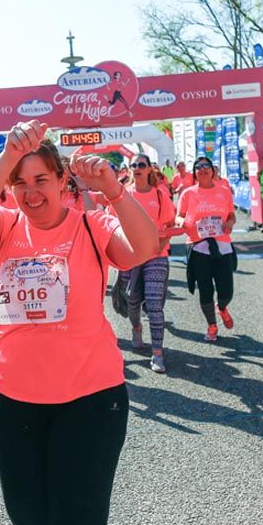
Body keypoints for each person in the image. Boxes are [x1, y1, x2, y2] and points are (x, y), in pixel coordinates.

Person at [0, 120, 156, 525]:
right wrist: (9, 154)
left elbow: (143, 247)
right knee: (29, 518)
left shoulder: (92, 226)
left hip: (91, 397)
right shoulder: (5, 228)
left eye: (41, 181)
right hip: (14, 397)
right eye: (20, 183)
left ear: (62, 182)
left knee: (82, 522)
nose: (31, 193)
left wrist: (113, 189)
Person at [117, 153, 177, 373]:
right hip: (131, 256)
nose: (137, 168)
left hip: (156, 256)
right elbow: (111, 221)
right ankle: (136, 327)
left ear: (150, 169)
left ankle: (158, 354)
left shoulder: (160, 195)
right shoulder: (123, 194)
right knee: (132, 301)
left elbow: (170, 223)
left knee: (153, 305)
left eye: (141, 165)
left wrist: (163, 243)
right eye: (134, 165)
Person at [179, 157, 238, 342]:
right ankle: (212, 325)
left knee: (226, 290)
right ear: (194, 173)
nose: (203, 169)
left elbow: (231, 215)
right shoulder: (187, 193)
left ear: (213, 170)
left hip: (222, 246)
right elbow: (178, 217)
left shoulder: (224, 191)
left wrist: (229, 223)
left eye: (206, 166)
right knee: (205, 289)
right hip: (198, 247)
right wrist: (185, 225)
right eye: (198, 167)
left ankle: (222, 307)